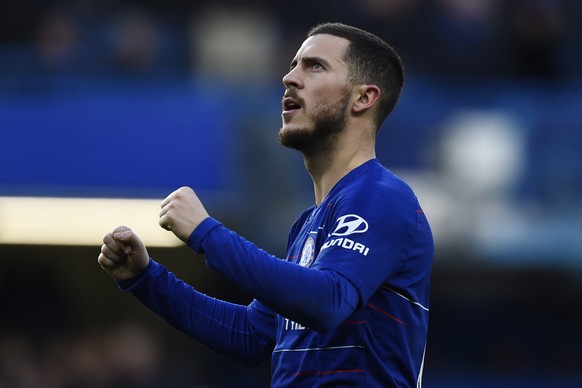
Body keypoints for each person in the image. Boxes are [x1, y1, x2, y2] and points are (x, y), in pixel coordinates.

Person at [98, 22, 434, 387]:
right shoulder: (309, 223)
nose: (290, 78)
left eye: (315, 66)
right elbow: (251, 335)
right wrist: (146, 279)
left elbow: (329, 300)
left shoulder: (381, 195)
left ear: (363, 98)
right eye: (293, 65)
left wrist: (206, 233)